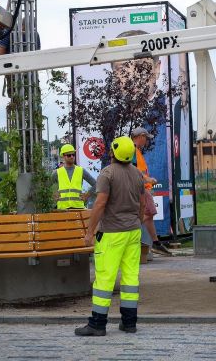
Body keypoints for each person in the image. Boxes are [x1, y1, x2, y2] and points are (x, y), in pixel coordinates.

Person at [75, 136, 145, 336]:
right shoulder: (137, 174)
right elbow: (142, 204)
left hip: (112, 234)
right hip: (133, 232)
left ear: (113, 151)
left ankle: (97, 324)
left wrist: (90, 231)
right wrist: (136, 223)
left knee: (105, 278)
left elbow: (100, 204)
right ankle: (129, 323)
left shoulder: (107, 173)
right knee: (131, 277)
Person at [131, 126, 172, 257]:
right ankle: (131, 230)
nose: (147, 141)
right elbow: (133, 170)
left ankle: (155, 242)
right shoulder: (133, 150)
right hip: (140, 187)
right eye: (146, 138)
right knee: (150, 213)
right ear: (141, 136)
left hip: (142, 187)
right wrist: (148, 179)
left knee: (149, 215)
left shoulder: (136, 151)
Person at [56, 143, 96, 209]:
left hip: (78, 208)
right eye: (69, 155)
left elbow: (96, 184)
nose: (72, 157)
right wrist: (53, 195)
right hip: (62, 209)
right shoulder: (57, 172)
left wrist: (87, 195)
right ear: (63, 156)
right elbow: (44, 186)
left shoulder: (81, 170)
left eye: (73, 155)